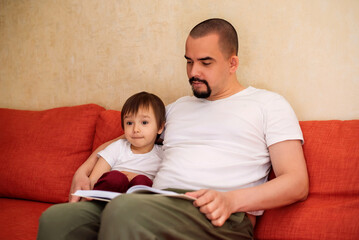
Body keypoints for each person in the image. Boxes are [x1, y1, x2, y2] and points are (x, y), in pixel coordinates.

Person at [37, 18, 309, 240]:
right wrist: (83, 170)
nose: (193, 71)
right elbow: (123, 139)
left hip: (220, 217)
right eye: (189, 61)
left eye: (205, 62)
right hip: (154, 202)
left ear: (232, 63)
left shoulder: (268, 104)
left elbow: (296, 183)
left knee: (126, 210)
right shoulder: (176, 108)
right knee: (58, 218)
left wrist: (231, 201)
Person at [90, 91, 165, 193]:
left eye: (144, 122)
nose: (135, 129)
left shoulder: (163, 154)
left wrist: (135, 177)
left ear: (160, 127)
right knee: (116, 178)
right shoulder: (117, 147)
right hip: (107, 199)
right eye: (129, 123)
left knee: (142, 181)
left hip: (139, 203)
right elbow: (94, 180)